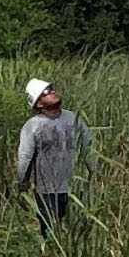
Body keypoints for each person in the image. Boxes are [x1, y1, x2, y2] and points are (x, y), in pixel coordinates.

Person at [15, 77, 91, 239]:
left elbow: (88, 148)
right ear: (39, 104)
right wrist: (23, 182)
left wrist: (94, 172)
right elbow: (25, 157)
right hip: (47, 190)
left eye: (51, 88)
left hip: (75, 187)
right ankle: (48, 256)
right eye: (46, 92)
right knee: (49, 231)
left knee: (77, 232)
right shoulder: (32, 126)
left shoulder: (74, 119)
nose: (52, 92)